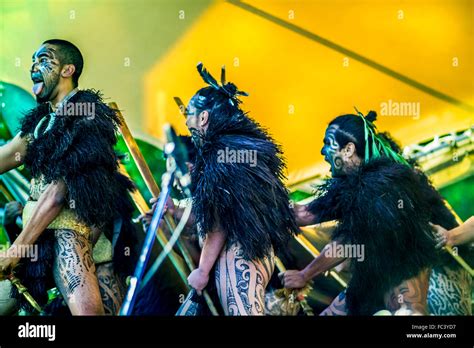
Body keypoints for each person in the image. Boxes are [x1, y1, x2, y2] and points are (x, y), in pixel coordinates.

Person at [0, 39, 137, 315]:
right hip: (35, 243)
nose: (33, 67)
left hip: (70, 237)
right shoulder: (40, 124)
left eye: (43, 59)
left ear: (67, 69)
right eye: (33, 61)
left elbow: (57, 194)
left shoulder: (87, 116)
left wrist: (15, 251)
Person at [167, 63, 299, 315]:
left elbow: (220, 219)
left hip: (240, 252)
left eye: (189, 117)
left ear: (203, 117)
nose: (187, 125)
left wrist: (203, 270)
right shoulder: (238, 152)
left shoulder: (219, 155)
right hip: (255, 251)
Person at [281, 110, 441, 315]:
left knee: (409, 313)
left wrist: (305, 274)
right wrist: (264, 195)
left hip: (402, 271)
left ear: (348, 149)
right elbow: (303, 215)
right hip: (369, 282)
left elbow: (349, 241)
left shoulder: (382, 185)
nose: (322, 151)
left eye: (327, 143)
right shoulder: (347, 188)